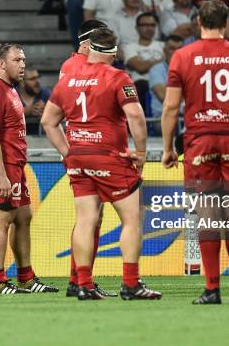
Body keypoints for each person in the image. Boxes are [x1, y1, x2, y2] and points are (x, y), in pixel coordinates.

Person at [41, 27, 162, 300]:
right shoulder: (118, 77)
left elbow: (48, 121)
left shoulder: (68, 79)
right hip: (109, 155)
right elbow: (136, 117)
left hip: (79, 156)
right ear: (115, 53)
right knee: (131, 218)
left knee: (86, 219)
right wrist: (141, 152)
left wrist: (68, 152)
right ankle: (131, 284)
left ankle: (83, 284)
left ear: (89, 49)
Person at [161, 0, 229, 305]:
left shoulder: (182, 56)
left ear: (199, 22)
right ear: (226, 23)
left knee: (207, 216)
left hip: (199, 141)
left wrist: (167, 149)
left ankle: (212, 288)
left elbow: (171, 107)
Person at [0, 43, 58, 294]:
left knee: (23, 216)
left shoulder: (8, 89)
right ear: (1, 63)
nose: (22, 65)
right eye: (17, 60)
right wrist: (0, 175)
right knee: (1, 217)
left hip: (14, 164)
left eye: (23, 60)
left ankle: (26, 277)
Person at [57, 19, 116, 298]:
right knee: (88, 217)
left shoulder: (70, 66)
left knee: (90, 216)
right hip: (88, 149)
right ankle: (80, 280)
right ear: (86, 42)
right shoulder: (80, 67)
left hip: (81, 148)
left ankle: (80, 279)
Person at [123, 12, 164, 112]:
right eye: (145, 25)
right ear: (137, 28)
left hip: (160, 83)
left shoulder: (163, 45)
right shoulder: (129, 47)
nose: (149, 28)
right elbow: (140, 67)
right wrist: (162, 60)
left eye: (152, 25)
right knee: (135, 87)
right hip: (138, 85)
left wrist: (147, 64)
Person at [148, 34, 184, 129]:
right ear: (164, 51)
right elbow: (165, 97)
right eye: (172, 48)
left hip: (187, 116)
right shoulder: (156, 69)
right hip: (162, 118)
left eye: (179, 48)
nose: (176, 52)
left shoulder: (192, 68)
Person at [19, 69, 50, 136]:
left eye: (38, 77)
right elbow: (2, 118)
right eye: (32, 79)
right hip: (17, 139)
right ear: (22, 83)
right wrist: (25, 111)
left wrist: (47, 110)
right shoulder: (12, 95)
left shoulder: (45, 94)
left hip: (42, 140)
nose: (37, 81)